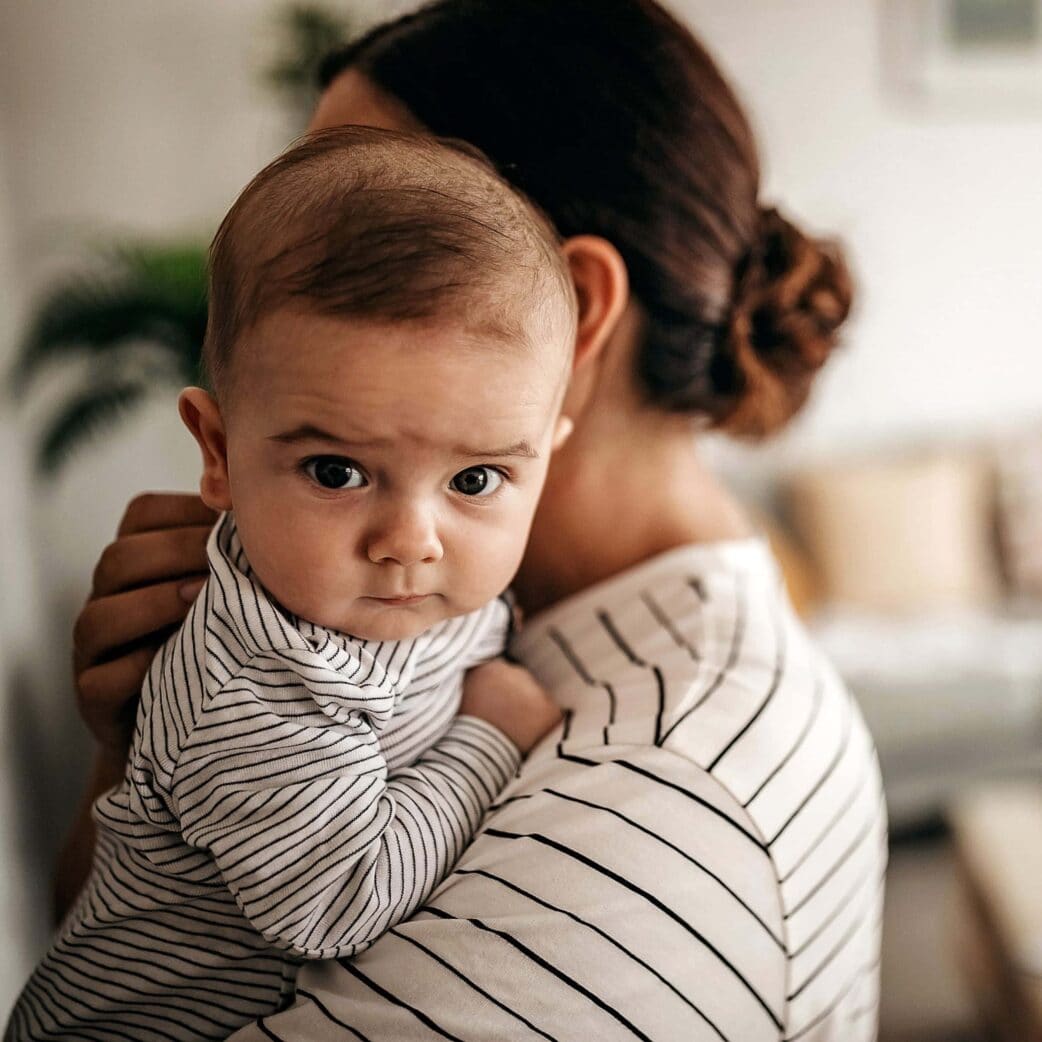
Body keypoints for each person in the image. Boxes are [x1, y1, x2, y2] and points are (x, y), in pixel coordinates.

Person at [63, 1, 887, 1038]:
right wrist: (142, 754)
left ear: (578, 309)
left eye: (362, 228)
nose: (300, 248)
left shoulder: (656, 787)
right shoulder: (435, 625)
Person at [8, 127, 572, 1040]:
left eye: (474, 481)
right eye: (338, 472)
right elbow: (339, 901)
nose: (409, 543)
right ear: (219, 453)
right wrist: (492, 734)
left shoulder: (400, 595)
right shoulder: (258, 679)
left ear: (546, 461)